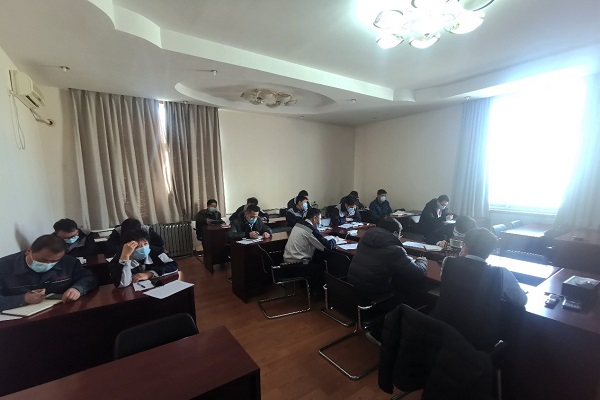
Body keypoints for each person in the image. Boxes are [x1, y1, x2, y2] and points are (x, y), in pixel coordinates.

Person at [431, 228, 527, 350]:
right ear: (490, 252)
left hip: (444, 329)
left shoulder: (448, 262)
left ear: (464, 246)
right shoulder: (501, 273)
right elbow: (521, 300)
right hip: (477, 340)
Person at [0, 234, 98, 311]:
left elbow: (89, 277)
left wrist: (77, 289)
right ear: (28, 251)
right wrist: (23, 299)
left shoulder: (68, 262)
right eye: (43, 260)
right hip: (20, 320)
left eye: (54, 261)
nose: (48, 264)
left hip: (61, 311)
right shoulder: (4, 266)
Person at [347, 217, 428, 302]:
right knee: (408, 293)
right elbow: (417, 273)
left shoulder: (364, 239)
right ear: (395, 233)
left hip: (352, 287)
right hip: (373, 294)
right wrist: (422, 260)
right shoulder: (395, 250)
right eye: (400, 234)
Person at [283, 207, 336, 298]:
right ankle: (317, 294)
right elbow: (326, 246)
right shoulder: (309, 229)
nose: (320, 221)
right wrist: (334, 240)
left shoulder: (299, 224)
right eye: (320, 218)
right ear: (314, 218)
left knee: (318, 256)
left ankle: (308, 286)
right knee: (321, 267)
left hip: (288, 261)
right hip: (297, 265)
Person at [109, 229, 178, 288]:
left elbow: (173, 265)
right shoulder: (119, 259)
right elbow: (123, 284)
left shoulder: (156, 251)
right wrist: (125, 258)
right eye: (137, 246)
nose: (143, 248)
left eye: (145, 244)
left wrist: (149, 274)